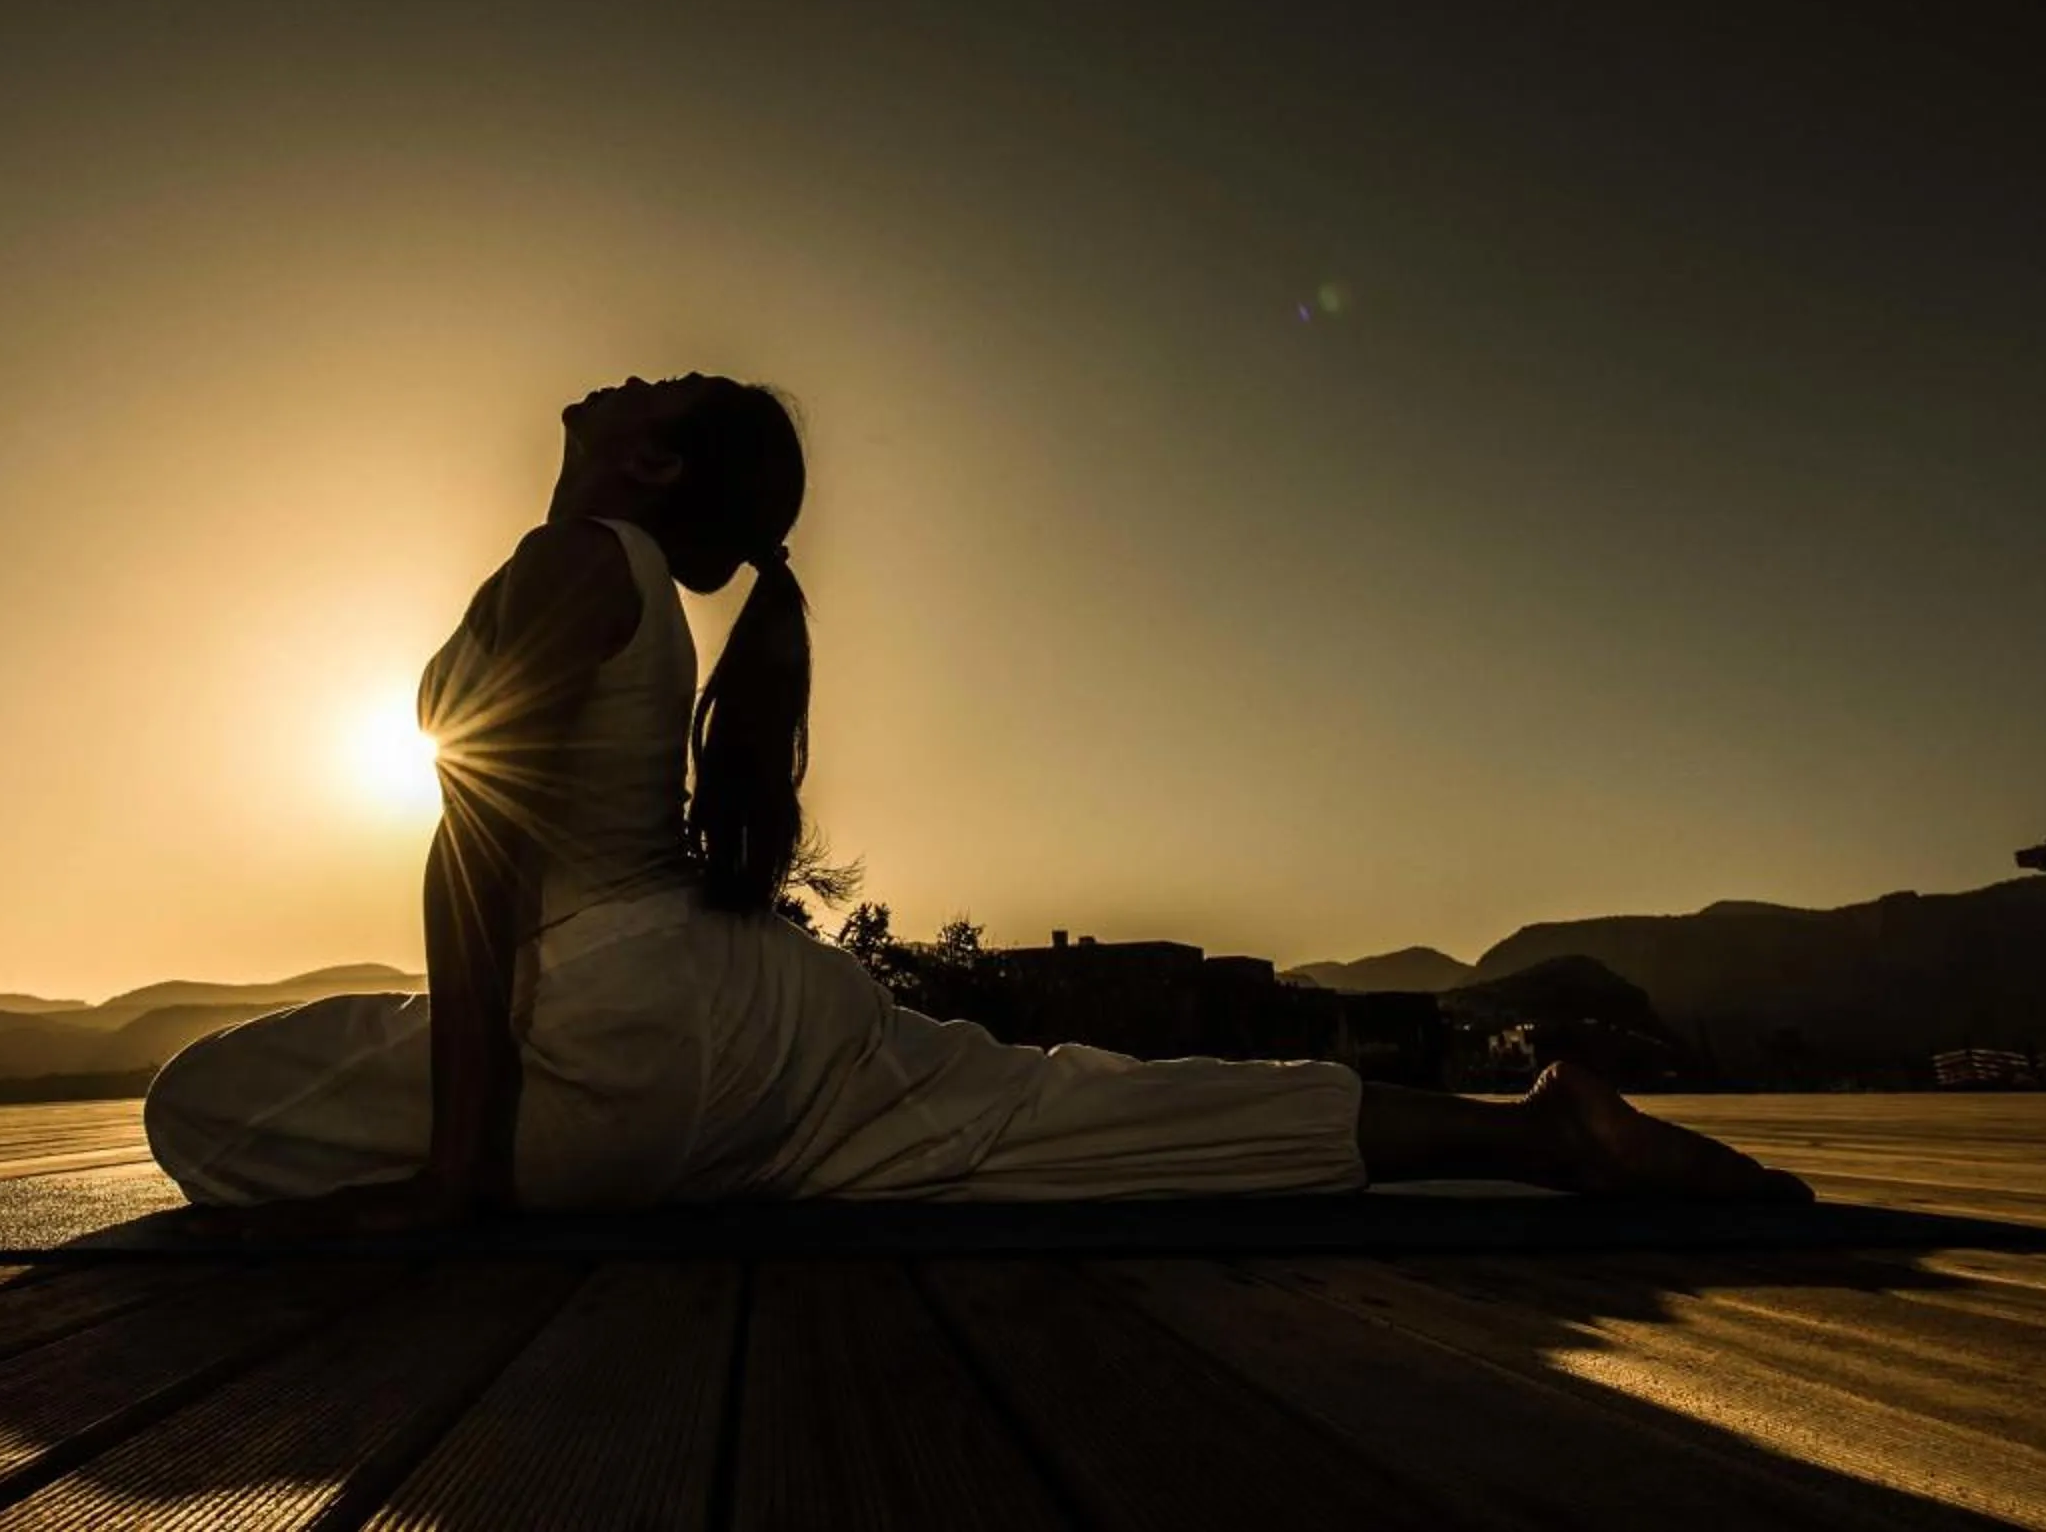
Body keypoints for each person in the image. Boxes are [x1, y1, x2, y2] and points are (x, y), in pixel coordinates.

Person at [144, 373, 1811, 1234]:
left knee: (197, 1099)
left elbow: (474, 833)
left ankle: (1539, 1134)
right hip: (754, 1026)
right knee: (1084, 1113)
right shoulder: (621, 573)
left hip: (615, 1058)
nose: (627, 373)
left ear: (650, 466)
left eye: (658, 389)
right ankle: (1536, 1133)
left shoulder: (579, 555)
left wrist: (453, 1166)